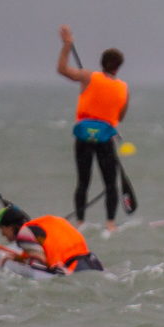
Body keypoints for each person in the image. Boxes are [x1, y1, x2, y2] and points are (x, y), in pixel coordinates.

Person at [56, 25, 129, 231]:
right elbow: (120, 117)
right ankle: (110, 223)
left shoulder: (88, 76)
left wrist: (67, 45)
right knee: (110, 183)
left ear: (101, 63)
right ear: (118, 67)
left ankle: (80, 222)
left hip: (83, 138)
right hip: (105, 139)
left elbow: (62, 69)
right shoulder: (123, 89)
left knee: (83, 182)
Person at [0, 206, 104, 273]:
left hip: (72, 269)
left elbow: (38, 262)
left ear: (10, 227)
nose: (2, 234)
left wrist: (12, 263)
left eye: (2, 229)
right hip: (93, 262)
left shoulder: (24, 233)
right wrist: (19, 258)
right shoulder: (49, 222)